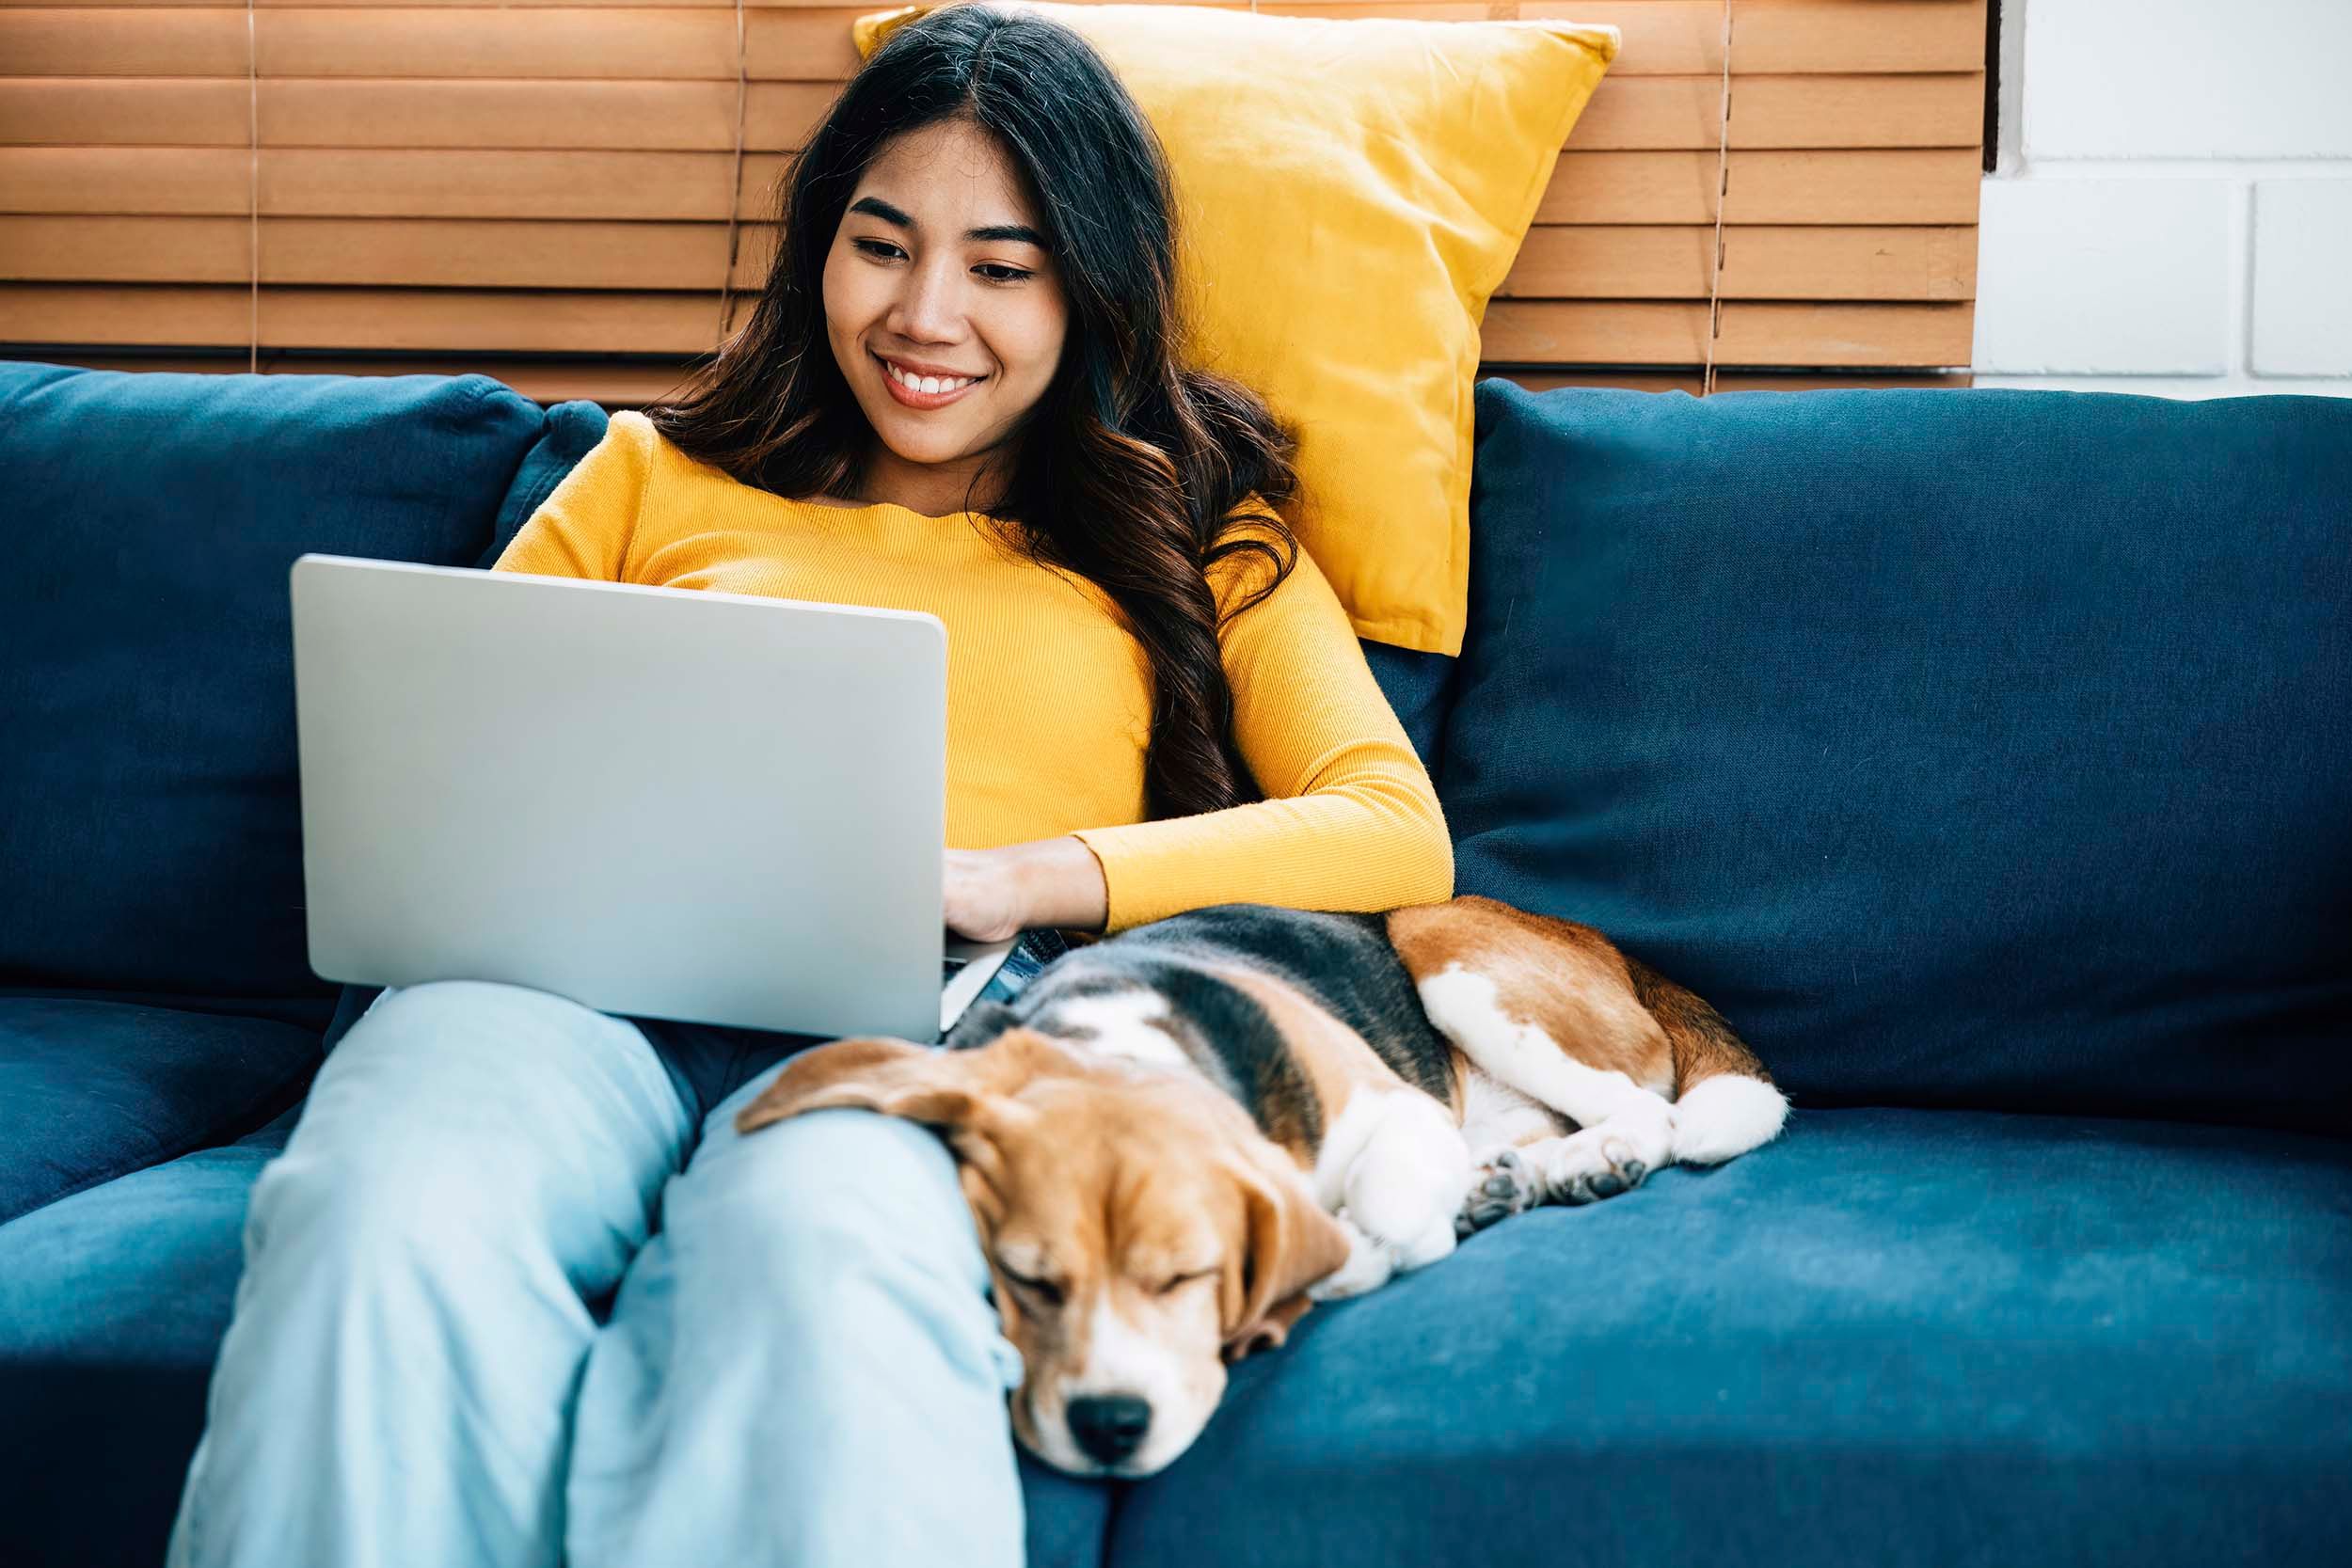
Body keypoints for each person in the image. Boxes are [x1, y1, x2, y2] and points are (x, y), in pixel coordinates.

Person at [167, 7, 1452, 1565]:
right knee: (384, 1213)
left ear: (1092, 288)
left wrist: (1013, 876)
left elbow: (1394, 830)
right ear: (815, 247)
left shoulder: (1201, 528)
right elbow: (449, 746)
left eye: (1004, 265)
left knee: (818, 1263)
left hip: (931, 1021)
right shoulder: (650, 476)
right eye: (881, 245)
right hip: (551, 1003)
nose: (925, 316)